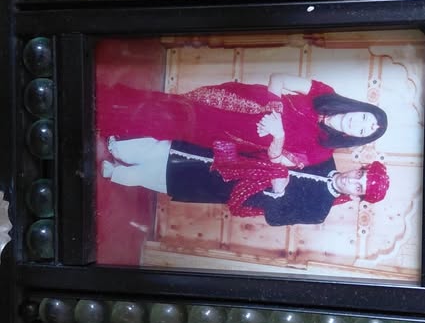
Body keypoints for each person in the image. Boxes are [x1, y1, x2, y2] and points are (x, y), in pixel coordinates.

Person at [97, 73, 387, 171]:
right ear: (359, 108)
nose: (358, 125)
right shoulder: (324, 93)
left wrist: (278, 135)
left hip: (233, 137)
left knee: (172, 125)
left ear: (358, 137)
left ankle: (111, 116)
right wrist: (275, 110)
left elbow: (278, 162)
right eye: (365, 118)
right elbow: (279, 78)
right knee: (174, 105)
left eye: (364, 131)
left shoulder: (322, 152)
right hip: (236, 102)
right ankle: (112, 101)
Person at [101, 138, 390, 225]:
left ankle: (117, 173)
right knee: (173, 151)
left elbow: (276, 218)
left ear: (356, 196)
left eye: (359, 187)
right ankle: (120, 149)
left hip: (234, 188)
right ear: (358, 168)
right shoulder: (323, 158)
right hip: (238, 158)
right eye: (359, 175)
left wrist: (278, 193)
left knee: (170, 179)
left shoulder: (319, 210)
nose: (353, 181)